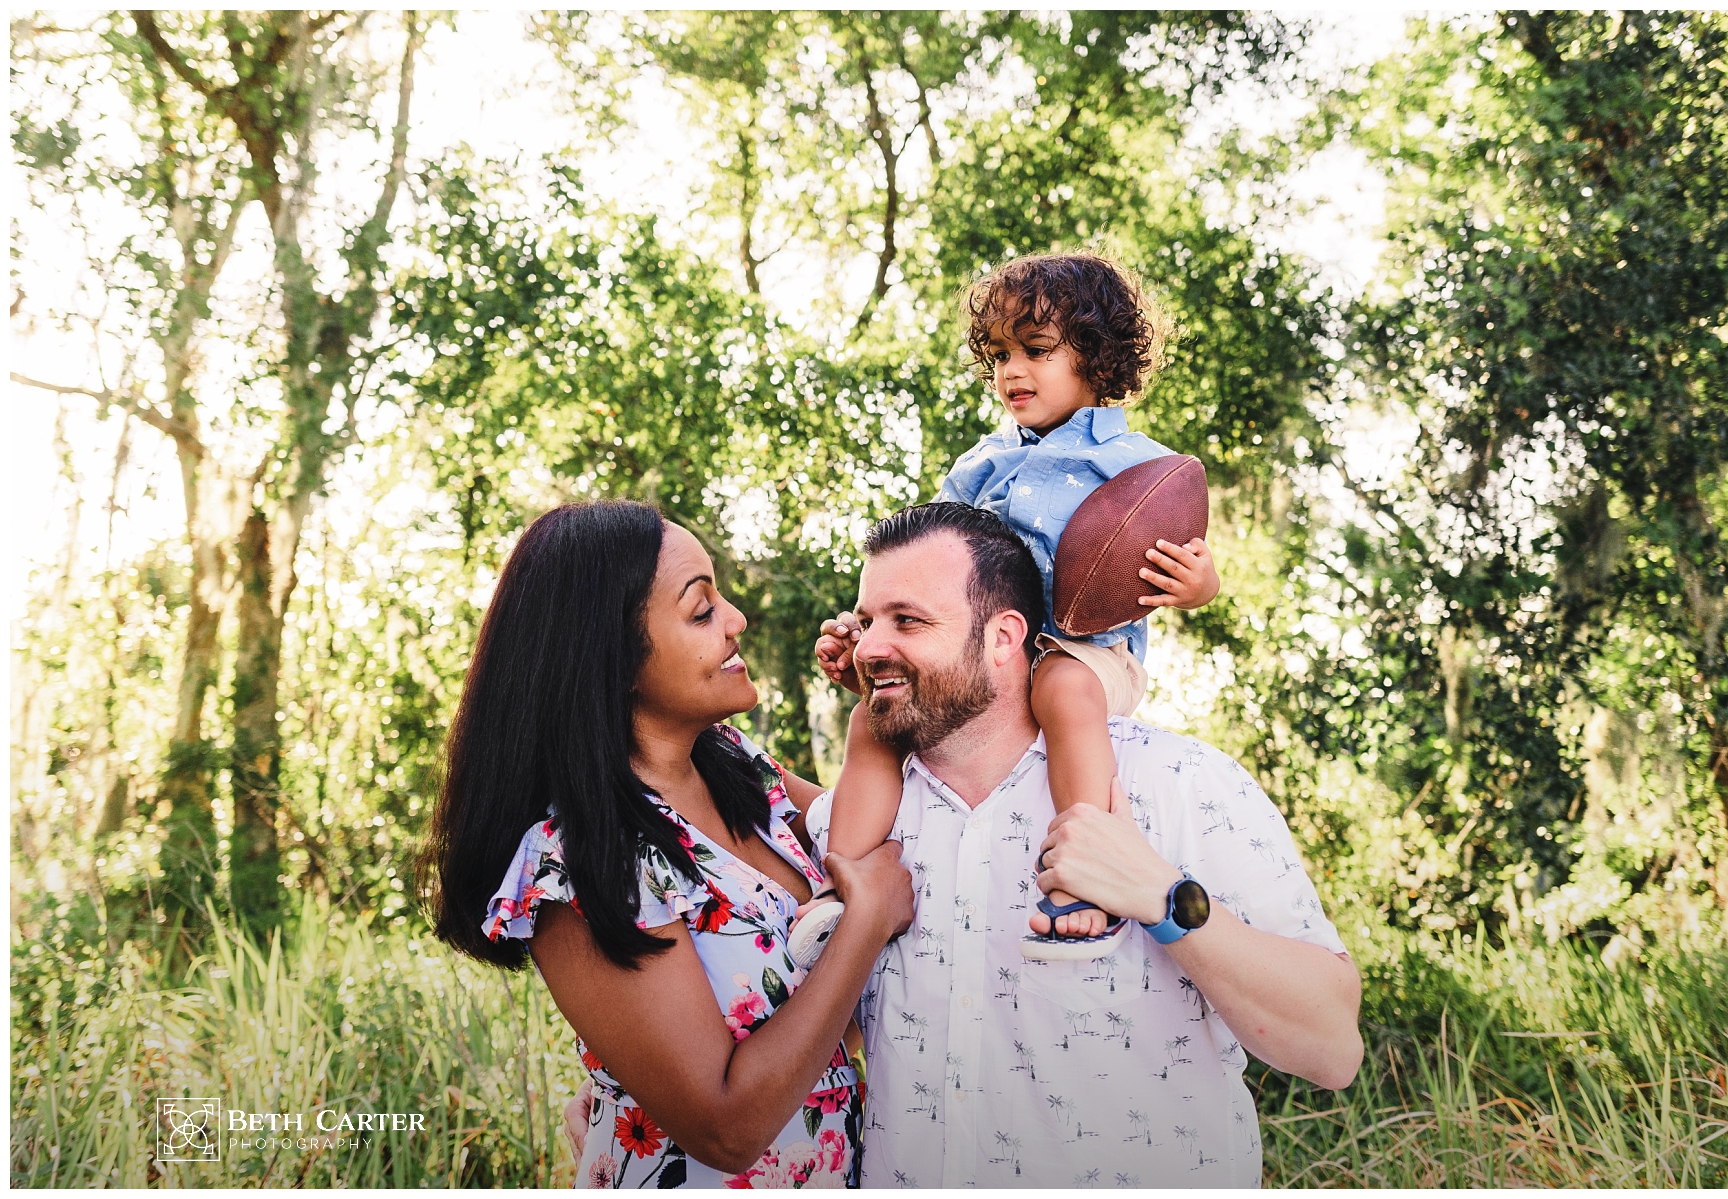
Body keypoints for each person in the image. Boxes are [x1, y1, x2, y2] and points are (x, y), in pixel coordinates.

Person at [807, 502, 1362, 1187]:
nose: (866, 647)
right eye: (865, 623)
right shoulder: (853, 829)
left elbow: (1332, 1046)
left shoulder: (1179, 783)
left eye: (907, 620)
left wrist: (1160, 897)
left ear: (1005, 636)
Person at [419, 501, 915, 1188]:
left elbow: (887, 833)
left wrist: (883, 683)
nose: (737, 619)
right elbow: (725, 1127)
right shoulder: (582, 864)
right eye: (702, 609)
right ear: (613, 658)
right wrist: (864, 922)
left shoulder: (739, 768)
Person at [797, 252, 1219, 965]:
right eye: (997, 355)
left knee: (1065, 689)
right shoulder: (982, 464)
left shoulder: (1140, 466)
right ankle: (840, 889)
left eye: (1036, 351)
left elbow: (1187, 562)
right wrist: (873, 630)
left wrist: (1198, 585)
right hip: (987, 650)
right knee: (878, 715)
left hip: (1084, 650)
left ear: (1098, 355)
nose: (1010, 371)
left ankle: (1082, 876)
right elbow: (925, 567)